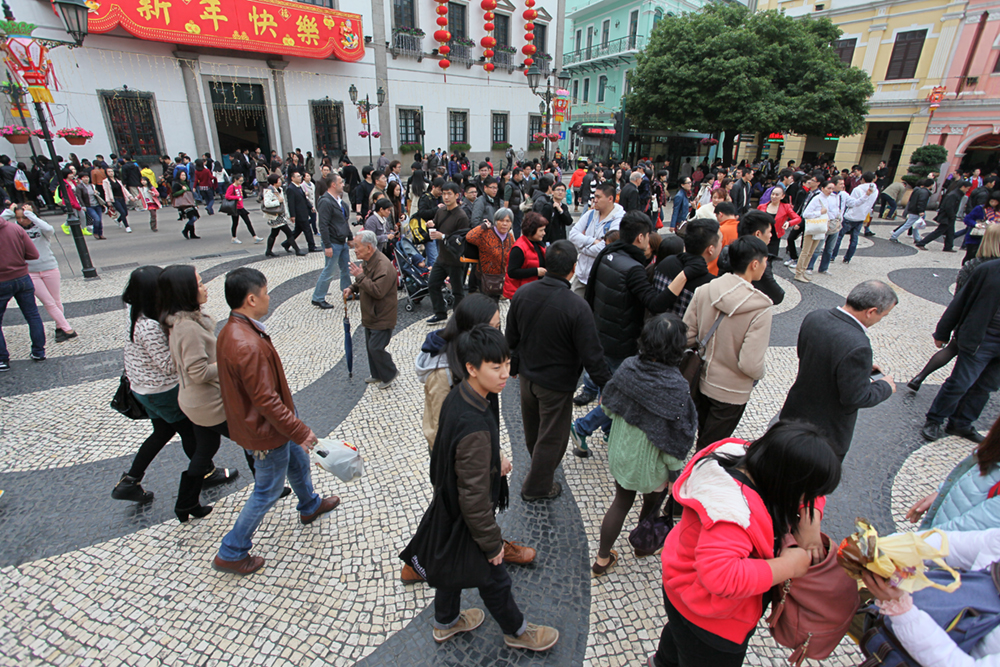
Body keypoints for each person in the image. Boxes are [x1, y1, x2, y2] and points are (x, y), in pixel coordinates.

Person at [411, 325, 558, 651]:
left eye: (507, 363)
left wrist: (493, 463)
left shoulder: (459, 395)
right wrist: (493, 545)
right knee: (495, 578)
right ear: (472, 368)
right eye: (496, 367)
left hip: (450, 507)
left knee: (451, 564)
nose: (506, 373)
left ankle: (445, 622)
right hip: (468, 518)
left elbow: (455, 459)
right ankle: (517, 632)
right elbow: (474, 497)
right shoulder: (475, 423)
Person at [650, 421, 840, 667]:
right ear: (788, 483)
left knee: (677, 641)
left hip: (682, 586)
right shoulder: (731, 513)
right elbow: (721, 576)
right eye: (805, 495)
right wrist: (789, 566)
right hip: (709, 621)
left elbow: (808, 481)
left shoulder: (753, 456)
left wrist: (811, 517)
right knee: (691, 644)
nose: (809, 499)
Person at [212, 267, 340, 576]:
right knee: (267, 490)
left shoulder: (234, 329)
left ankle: (309, 504)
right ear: (251, 298)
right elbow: (265, 400)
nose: (270, 297)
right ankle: (232, 550)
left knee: (297, 463)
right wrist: (301, 431)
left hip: (271, 427)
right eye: (267, 292)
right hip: (266, 432)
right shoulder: (247, 343)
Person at [590, 313, 697, 575]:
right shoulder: (676, 386)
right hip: (653, 467)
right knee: (651, 508)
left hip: (622, 455)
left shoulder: (628, 367)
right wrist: (675, 473)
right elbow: (673, 439)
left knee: (620, 503)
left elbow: (608, 406)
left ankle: (602, 559)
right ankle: (642, 547)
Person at [506, 240, 612, 501]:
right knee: (552, 437)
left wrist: (515, 368)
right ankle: (537, 487)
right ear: (573, 268)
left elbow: (511, 338)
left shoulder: (523, 294)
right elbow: (593, 356)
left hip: (527, 379)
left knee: (534, 430)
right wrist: (607, 387)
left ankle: (538, 467)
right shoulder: (577, 307)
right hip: (555, 384)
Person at [572, 213, 676, 455]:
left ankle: (609, 429)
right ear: (641, 237)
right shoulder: (634, 269)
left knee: (607, 387)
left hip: (602, 334)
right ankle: (582, 427)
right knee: (622, 394)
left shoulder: (607, 255)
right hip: (622, 342)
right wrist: (684, 276)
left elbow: (591, 294)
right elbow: (656, 303)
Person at [778, 280, 898, 460]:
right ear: (871, 312)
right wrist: (884, 387)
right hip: (825, 433)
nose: (881, 319)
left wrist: (857, 368)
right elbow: (855, 397)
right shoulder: (858, 345)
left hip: (794, 413)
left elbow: (808, 355)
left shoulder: (815, 316)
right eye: (884, 315)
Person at [158, 266, 242, 522]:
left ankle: (185, 505)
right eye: (199, 283)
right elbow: (198, 371)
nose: (205, 287)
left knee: (205, 450)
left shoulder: (180, 322)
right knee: (253, 439)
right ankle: (268, 488)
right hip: (210, 403)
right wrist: (229, 361)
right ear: (184, 291)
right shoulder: (188, 328)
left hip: (195, 402)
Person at [111, 266, 199, 502]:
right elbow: (168, 365)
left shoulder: (135, 309)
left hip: (143, 388)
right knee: (190, 431)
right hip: (161, 390)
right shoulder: (149, 326)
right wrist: (183, 339)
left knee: (162, 432)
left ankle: (130, 481)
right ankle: (205, 471)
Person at [684, 236, 773, 450]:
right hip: (731, 390)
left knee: (702, 434)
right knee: (711, 446)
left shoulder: (705, 290)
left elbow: (686, 335)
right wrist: (761, 373)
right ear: (754, 264)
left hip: (699, 377)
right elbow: (750, 364)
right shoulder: (760, 306)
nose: (765, 266)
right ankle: (698, 476)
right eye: (765, 261)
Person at [909, 224, 1000, 392]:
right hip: (985, 328)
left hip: (966, 317)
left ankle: (920, 377)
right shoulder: (990, 268)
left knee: (952, 348)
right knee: (967, 363)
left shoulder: (973, 264)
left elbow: (959, 296)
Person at [920, 258, 1000, 445]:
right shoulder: (988, 270)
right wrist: (943, 331)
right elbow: (962, 301)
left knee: (986, 387)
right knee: (960, 383)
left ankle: (961, 423)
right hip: (982, 338)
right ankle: (935, 419)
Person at [907, 413, 1000, 533]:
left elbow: (959, 534)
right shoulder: (994, 449)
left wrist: (910, 543)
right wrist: (943, 494)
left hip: (938, 546)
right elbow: (972, 479)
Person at [3, 204, 77, 343]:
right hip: (30, 271)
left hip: (49, 267)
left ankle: (59, 327)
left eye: (24, 217)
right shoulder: (15, 229)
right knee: (48, 302)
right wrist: (9, 211)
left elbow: (49, 229)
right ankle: (68, 329)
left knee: (56, 300)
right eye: (18, 218)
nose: (21, 220)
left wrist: (31, 215)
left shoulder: (40, 227)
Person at [344, 230, 398, 390]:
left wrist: (359, 277)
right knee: (370, 346)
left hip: (382, 315)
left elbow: (378, 291)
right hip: (371, 314)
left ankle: (390, 373)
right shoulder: (369, 261)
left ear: (368, 247)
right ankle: (377, 374)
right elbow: (365, 279)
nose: (354, 250)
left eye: (357, 247)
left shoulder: (383, 266)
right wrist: (352, 288)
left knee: (376, 347)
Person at [0, 204, 46, 370]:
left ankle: (2, 359)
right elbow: (33, 254)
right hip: (22, 277)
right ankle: (39, 351)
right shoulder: (15, 229)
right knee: (32, 315)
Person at [652, 218, 723, 318]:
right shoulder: (710, 285)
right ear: (711, 249)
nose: (722, 244)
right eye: (721, 241)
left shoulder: (666, 262)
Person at [568, 181, 625, 297]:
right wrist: (592, 241)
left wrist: (581, 248)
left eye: (598, 197)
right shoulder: (590, 214)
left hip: (600, 277)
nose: (595, 200)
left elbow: (605, 248)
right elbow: (573, 234)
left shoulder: (618, 220)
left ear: (610, 199)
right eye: (594, 197)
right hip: (581, 274)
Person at [426, 182, 471, 324]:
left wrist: (443, 237)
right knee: (433, 284)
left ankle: (459, 318)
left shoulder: (461, 216)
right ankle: (440, 312)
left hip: (456, 260)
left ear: (457, 196)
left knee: (458, 291)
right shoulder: (441, 211)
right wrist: (431, 224)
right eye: (443, 193)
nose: (445, 197)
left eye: (449, 194)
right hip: (442, 257)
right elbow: (437, 224)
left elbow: (461, 240)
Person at [795, 178, 839, 282]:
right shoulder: (817, 198)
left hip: (820, 228)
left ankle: (804, 270)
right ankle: (799, 272)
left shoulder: (828, 199)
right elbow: (806, 214)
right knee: (805, 251)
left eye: (832, 188)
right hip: (813, 227)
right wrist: (820, 212)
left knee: (811, 251)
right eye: (829, 188)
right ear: (822, 188)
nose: (830, 190)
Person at [465, 207, 515, 300]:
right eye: (501, 220)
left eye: (508, 221)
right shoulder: (487, 233)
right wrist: (483, 226)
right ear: (495, 221)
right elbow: (469, 237)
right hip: (485, 278)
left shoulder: (510, 237)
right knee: (487, 306)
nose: (504, 224)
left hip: (500, 278)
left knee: (494, 306)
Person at [834, 171, 879, 264]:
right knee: (854, 238)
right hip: (862, 216)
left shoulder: (857, 189)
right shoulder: (875, 190)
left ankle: (832, 255)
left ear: (863, 179)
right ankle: (848, 258)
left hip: (851, 216)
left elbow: (852, 203)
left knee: (839, 236)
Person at [503, 211, 547, 300]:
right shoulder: (519, 248)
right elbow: (512, 272)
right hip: (522, 293)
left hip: (535, 290)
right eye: (541, 230)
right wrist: (536, 271)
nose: (544, 233)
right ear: (531, 231)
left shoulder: (538, 243)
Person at [917, 179, 969, 253]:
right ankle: (922, 243)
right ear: (963, 187)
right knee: (939, 231)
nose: (967, 190)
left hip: (949, 216)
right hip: (947, 216)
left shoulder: (956, 193)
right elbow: (948, 206)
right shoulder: (954, 194)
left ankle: (948, 246)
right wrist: (952, 215)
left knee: (950, 232)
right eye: (967, 188)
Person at [262, 173, 302, 257]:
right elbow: (267, 204)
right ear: (274, 182)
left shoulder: (279, 189)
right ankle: (297, 250)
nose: (280, 181)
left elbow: (284, 204)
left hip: (281, 215)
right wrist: (278, 202)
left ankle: (268, 251)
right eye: (279, 180)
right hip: (276, 217)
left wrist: (287, 214)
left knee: (274, 234)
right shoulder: (269, 191)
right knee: (289, 233)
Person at [757, 185, 800, 256]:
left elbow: (797, 218)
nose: (774, 196)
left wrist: (789, 223)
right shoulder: (762, 207)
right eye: (772, 194)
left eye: (777, 195)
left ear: (782, 196)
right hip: (762, 235)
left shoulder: (786, 207)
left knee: (770, 258)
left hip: (775, 238)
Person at [960, 190, 1000, 263]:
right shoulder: (980, 208)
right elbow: (968, 219)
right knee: (971, 257)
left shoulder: (998, 212)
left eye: (995, 202)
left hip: (992, 239)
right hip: (977, 237)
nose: (993, 203)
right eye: (992, 201)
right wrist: (975, 224)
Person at [890, 178, 932, 245]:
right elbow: (921, 202)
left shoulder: (917, 190)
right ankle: (894, 236)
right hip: (916, 211)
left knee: (915, 225)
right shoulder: (924, 192)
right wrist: (921, 211)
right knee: (908, 225)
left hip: (913, 210)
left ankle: (917, 238)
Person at [286, 170, 319, 252]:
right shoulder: (291, 188)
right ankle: (311, 246)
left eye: (300, 176)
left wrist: (311, 206)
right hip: (299, 213)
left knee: (298, 230)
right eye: (297, 176)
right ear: (292, 178)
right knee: (307, 229)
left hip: (304, 211)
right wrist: (292, 215)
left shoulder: (299, 187)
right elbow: (291, 203)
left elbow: (304, 199)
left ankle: (286, 243)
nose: (300, 177)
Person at [224, 175, 262, 244]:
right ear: (235, 180)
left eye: (242, 181)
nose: (241, 182)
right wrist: (236, 197)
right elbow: (227, 196)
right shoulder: (231, 187)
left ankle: (255, 236)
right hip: (235, 208)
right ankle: (234, 237)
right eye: (240, 181)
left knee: (248, 222)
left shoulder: (239, 186)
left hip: (241, 207)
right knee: (235, 223)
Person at [103, 169, 134, 233]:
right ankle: (127, 226)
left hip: (122, 198)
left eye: (112, 171)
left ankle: (118, 220)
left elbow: (123, 189)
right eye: (109, 172)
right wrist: (108, 201)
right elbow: (106, 191)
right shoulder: (106, 181)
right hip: (114, 199)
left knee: (125, 212)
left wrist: (130, 196)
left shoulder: (118, 180)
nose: (111, 173)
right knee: (122, 212)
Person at [172, 170, 200, 239]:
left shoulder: (187, 183)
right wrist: (182, 190)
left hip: (190, 203)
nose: (183, 177)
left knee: (195, 217)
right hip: (184, 204)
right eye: (182, 175)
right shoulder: (177, 184)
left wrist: (195, 203)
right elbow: (174, 194)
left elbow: (190, 194)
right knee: (192, 218)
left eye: (184, 175)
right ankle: (185, 230)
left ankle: (192, 234)